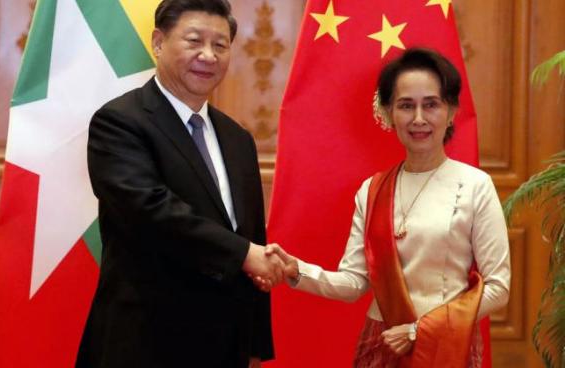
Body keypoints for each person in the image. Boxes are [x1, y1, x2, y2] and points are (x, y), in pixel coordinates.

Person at [262, 48, 511, 367]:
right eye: (406, 105)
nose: (418, 118)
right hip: (384, 344)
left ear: (450, 112)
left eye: (431, 104)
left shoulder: (475, 185)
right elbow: (353, 284)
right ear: (389, 112)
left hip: (445, 345)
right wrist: (298, 270)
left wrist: (420, 330)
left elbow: (498, 288)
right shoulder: (373, 190)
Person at [75, 1, 284, 367]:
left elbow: (252, 235)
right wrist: (243, 254)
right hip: (145, 343)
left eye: (220, 45)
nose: (208, 55)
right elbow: (151, 213)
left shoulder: (237, 139)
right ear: (158, 42)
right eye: (194, 41)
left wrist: (255, 346)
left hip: (225, 345)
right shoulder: (119, 123)